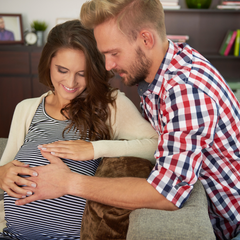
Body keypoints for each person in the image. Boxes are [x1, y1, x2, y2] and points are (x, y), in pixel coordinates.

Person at [9, 1, 240, 239]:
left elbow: (166, 194)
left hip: (225, 224)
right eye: (103, 54)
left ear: (146, 39)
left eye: (114, 53)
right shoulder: (163, 69)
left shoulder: (186, 92)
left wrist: (69, 183)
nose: (108, 65)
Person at [0, 19, 158, 239]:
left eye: (82, 73)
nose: (71, 82)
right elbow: (5, 165)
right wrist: (2, 173)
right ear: (48, 64)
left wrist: (93, 149)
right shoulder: (27, 108)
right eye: (62, 70)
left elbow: (155, 145)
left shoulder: (110, 104)